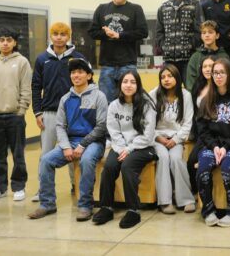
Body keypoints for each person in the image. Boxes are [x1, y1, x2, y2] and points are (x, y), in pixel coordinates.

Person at [28, 58, 107, 221]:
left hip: (93, 142)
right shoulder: (65, 99)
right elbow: (60, 126)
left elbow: (101, 126)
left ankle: (85, 205)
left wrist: (83, 145)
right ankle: (47, 204)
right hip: (70, 141)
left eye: (80, 72)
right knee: (46, 160)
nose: (75, 75)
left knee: (86, 160)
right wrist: (65, 146)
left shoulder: (99, 96)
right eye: (73, 72)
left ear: (89, 75)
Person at [92, 70, 157, 228]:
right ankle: (106, 207)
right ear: (120, 85)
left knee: (128, 166)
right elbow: (113, 130)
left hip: (143, 146)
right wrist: (122, 148)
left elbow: (148, 135)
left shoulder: (147, 105)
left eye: (132, 82)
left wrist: (129, 149)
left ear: (138, 85)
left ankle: (133, 210)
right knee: (109, 167)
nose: (128, 85)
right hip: (121, 146)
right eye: (125, 82)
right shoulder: (114, 105)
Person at [31, 22, 85, 202]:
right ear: (50, 36)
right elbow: (36, 87)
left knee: (73, 151)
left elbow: (87, 85)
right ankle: (43, 189)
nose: (59, 37)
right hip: (49, 113)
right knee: (46, 154)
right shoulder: (41, 59)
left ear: (68, 36)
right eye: (56, 34)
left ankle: (75, 185)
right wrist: (38, 112)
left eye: (63, 34)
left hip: (73, 114)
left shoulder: (77, 57)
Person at [196, 58, 230, 227]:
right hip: (212, 146)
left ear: (229, 74)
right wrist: (215, 147)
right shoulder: (206, 101)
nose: (218, 76)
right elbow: (202, 131)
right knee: (203, 169)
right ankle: (208, 210)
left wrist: (226, 147)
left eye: (221, 72)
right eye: (215, 73)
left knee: (228, 168)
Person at [0, 27, 31, 202]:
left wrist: (21, 110)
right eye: (1, 40)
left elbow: (26, 88)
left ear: (15, 42)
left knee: (18, 154)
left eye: (9, 40)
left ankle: (18, 186)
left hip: (15, 117)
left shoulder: (22, 62)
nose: (5, 43)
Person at [88, 0, 148, 103]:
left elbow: (143, 32)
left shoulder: (136, 9)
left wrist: (119, 35)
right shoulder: (102, 8)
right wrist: (107, 34)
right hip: (107, 65)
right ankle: (108, 124)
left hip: (128, 63)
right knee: (105, 102)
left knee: (130, 100)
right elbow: (92, 32)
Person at [149, 64, 196, 214]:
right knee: (163, 157)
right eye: (163, 77)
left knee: (176, 159)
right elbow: (147, 122)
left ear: (177, 77)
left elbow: (187, 123)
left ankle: (186, 199)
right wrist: (159, 138)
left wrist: (175, 140)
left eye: (169, 76)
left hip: (176, 138)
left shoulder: (185, 95)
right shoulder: (153, 94)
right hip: (157, 138)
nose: (166, 80)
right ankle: (165, 201)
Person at [155, 0, 203, 80]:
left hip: (189, 59)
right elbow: (159, 32)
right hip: (168, 60)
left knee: (192, 91)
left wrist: (191, 46)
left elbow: (199, 30)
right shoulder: (163, 7)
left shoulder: (195, 4)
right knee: (169, 92)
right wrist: (164, 47)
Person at [186, 55, 217, 194]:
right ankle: (195, 193)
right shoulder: (198, 88)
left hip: (216, 132)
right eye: (204, 66)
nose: (207, 69)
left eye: (210, 66)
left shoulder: (221, 88)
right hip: (201, 132)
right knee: (191, 161)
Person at [185, 20, 229, 91]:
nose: (207, 35)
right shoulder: (195, 57)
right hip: (200, 96)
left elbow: (229, 79)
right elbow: (191, 83)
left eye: (210, 32)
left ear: (217, 35)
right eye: (204, 33)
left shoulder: (224, 56)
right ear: (201, 36)